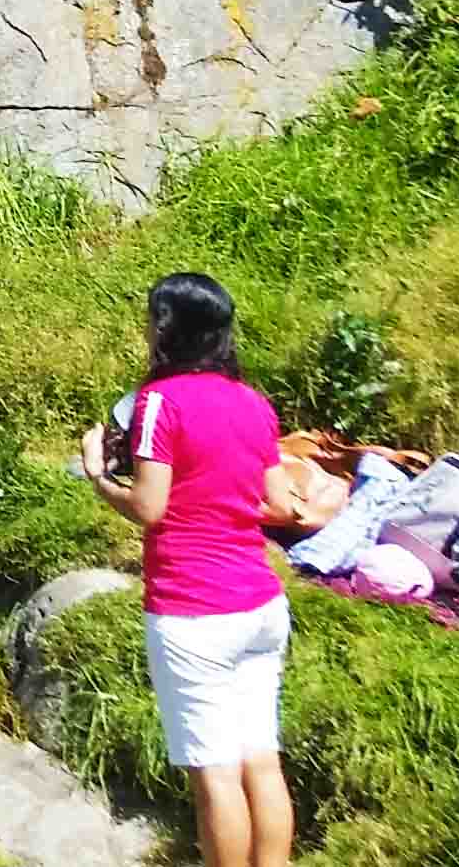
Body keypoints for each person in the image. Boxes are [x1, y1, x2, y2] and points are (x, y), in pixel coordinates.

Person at [86, 274, 294, 867]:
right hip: (261, 605)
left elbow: (150, 508)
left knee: (216, 779)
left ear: (166, 329)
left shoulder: (159, 403)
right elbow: (279, 504)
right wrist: (221, 497)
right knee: (261, 760)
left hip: (193, 612)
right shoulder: (254, 402)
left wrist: (101, 477)